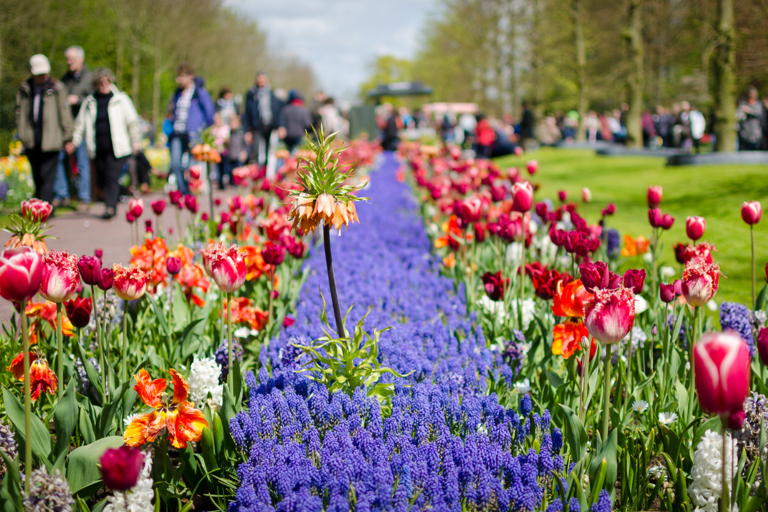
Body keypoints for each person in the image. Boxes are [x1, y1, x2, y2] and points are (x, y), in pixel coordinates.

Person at [67, 67, 142, 219]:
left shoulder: (121, 99)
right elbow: (79, 125)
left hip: (117, 148)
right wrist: (74, 142)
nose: (104, 85)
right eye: (101, 82)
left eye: (106, 81)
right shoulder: (89, 102)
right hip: (97, 148)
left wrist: (135, 141)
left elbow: (132, 122)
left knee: (111, 177)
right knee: (101, 178)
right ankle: (113, 200)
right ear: (96, 84)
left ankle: (110, 207)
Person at [17, 54, 74, 205]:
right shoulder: (25, 88)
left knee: (48, 177)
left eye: (44, 74)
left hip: (51, 140)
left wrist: (68, 137)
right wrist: (22, 135)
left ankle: (44, 209)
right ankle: (41, 208)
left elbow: (65, 112)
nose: (42, 77)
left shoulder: (57, 88)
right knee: (37, 176)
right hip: (32, 139)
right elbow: (19, 112)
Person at [53, 46, 93, 210]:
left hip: (82, 126)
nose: (69, 62)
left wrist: (78, 99)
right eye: (67, 59)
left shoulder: (89, 78)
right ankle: (62, 195)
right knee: (59, 159)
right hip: (65, 127)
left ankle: (84, 197)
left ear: (81, 60)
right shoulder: (64, 79)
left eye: (72, 59)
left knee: (82, 162)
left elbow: (93, 98)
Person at [168, 63, 215, 194]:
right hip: (177, 132)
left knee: (191, 166)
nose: (179, 80)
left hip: (193, 134)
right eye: (178, 77)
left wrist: (205, 129)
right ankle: (183, 190)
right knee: (175, 164)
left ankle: (192, 190)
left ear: (190, 77)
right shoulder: (177, 93)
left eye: (182, 76)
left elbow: (210, 112)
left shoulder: (199, 92)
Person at [242, 71, 282, 167]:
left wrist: (280, 126)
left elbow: (277, 111)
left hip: (270, 126)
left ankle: (265, 173)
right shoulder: (251, 94)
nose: (261, 81)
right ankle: (256, 173)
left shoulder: (272, 94)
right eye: (259, 79)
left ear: (266, 80)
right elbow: (247, 113)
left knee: (270, 152)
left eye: (263, 78)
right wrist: (247, 130)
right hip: (256, 126)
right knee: (256, 151)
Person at [278, 89, 312, 154]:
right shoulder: (303, 110)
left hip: (287, 135)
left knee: (287, 153)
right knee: (298, 153)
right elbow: (308, 124)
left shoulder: (285, 109)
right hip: (299, 135)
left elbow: (281, 121)